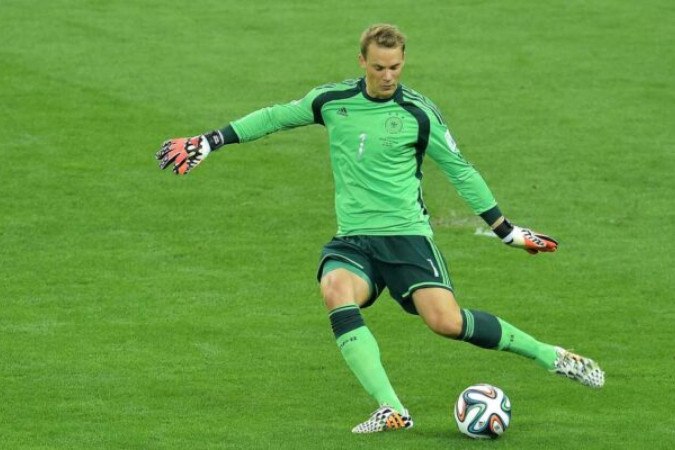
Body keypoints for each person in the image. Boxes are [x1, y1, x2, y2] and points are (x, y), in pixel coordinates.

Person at [155, 24, 605, 434]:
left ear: (403, 62)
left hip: (407, 237)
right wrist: (210, 142)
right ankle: (391, 408)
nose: (387, 76)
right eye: (378, 67)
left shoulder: (418, 113)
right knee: (335, 289)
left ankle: (552, 355)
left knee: (446, 322)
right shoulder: (332, 102)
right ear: (361, 63)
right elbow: (276, 116)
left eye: (394, 67)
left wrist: (505, 230)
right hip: (354, 239)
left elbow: (461, 170)